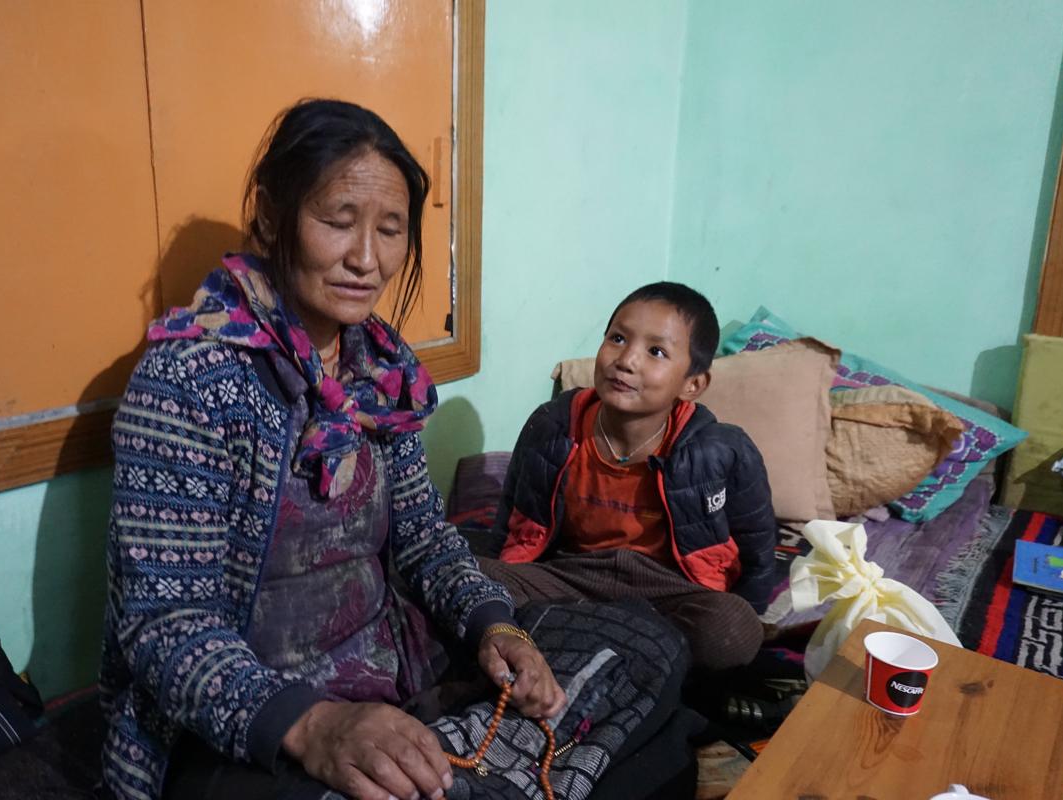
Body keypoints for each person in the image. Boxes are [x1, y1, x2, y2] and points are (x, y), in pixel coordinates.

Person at [98, 99, 565, 800]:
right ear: (269, 216)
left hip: (386, 663)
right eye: (338, 222)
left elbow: (423, 542)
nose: (367, 260)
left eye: (391, 230)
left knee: (634, 650)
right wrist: (315, 728)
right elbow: (165, 626)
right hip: (246, 721)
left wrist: (492, 625)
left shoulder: (381, 369)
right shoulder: (188, 381)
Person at [479, 282, 777, 672]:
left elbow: (758, 548)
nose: (627, 360)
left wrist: (749, 615)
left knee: (732, 628)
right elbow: (514, 516)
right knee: (466, 578)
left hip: (666, 590)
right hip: (572, 576)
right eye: (618, 338)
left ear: (693, 384)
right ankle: (633, 652)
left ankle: (581, 644)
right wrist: (495, 583)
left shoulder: (722, 451)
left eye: (656, 351)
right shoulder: (551, 426)